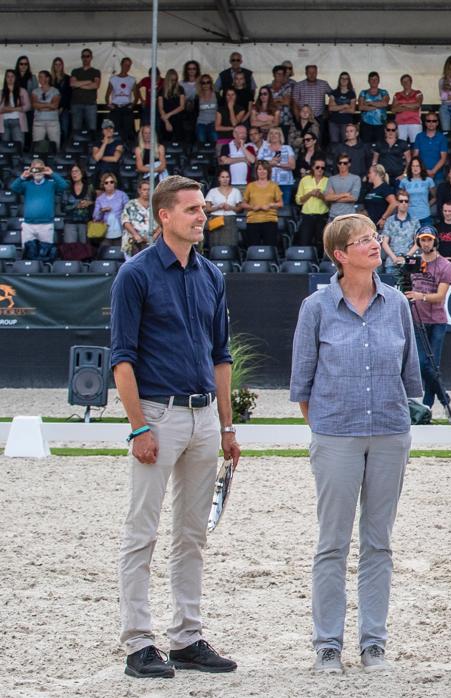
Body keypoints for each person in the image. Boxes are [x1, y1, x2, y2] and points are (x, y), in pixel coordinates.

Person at [111, 175, 241, 679]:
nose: (200, 216)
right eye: (190, 209)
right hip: (158, 415)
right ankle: (139, 642)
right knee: (141, 532)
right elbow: (122, 359)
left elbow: (221, 356)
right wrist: (138, 427)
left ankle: (186, 636)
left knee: (192, 534)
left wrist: (227, 428)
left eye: (202, 209)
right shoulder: (135, 275)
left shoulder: (211, 275)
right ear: (164, 215)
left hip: (205, 417)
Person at [289, 214, 421, 675]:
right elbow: (301, 385)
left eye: (374, 237)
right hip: (335, 437)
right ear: (340, 255)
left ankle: (373, 643)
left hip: (389, 431)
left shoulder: (397, 304)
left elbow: (410, 377)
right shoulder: (316, 307)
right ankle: (327, 644)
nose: (374, 244)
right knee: (332, 543)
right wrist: (328, 429)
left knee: (378, 542)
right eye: (363, 240)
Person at [404, 226, 451, 421]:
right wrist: (411, 253)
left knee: (430, 366)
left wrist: (420, 296)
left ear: (435, 241)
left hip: (436, 321)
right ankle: (444, 401)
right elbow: (399, 266)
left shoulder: (444, 265)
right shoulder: (413, 263)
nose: (426, 243)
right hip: (417, 319)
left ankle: (429, 405)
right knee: (422, 364)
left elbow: (440, 296)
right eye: (422, 240)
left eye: (429, 240)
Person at [11, 159, 68, 261]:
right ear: (31, 171)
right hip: (28, 225)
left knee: (46, 255)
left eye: (40, 169)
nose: (37, 172)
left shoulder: (51, 184)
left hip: (46, 225)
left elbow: (64, 185)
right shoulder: (26, 185)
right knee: (28, 254)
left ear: (44, 169)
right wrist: (22, 177)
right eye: (35, 169)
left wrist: (52, 174)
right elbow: (13, 187)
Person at [242, 160, 282, 249]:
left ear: (268, 171)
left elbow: (280, 203)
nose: (262, 171)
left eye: (264, 169)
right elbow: (243, 204)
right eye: (259, 169)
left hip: (270, 221)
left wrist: (270, 205)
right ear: (256, 171)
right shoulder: (250, 186)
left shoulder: (274, 186)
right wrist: (252, 207)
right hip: (253, 221)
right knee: (253, 248)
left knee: (270, 248)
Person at [295, 156, 331, 252]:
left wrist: (321, 196)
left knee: (321, 243)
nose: (320, 169)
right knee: (304, 242)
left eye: (322, 168)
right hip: (307, 215)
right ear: (312, 167)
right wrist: (310, 194)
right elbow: (298, 200)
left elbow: (330, 203)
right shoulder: (304, 180)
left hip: (322, 216)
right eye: (317, 167)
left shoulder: (328, 181)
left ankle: (320, 265)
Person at [381, 191, 420, 273]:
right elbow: (384, 242)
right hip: (391, 262)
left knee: (409, 285)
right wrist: (394, 258)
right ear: (397, 203)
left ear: (409, 203)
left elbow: (418, 243)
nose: (404, 203)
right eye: (401, 201)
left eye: (406, 201)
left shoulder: (415, 221)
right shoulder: (389, 220)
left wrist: (405, 257)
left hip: (409, 263)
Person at [258, 127, 297, 207]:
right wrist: (271, 162)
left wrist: (276, 164)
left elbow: (292, 166)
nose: (273, 135)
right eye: (271, 133)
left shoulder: (287, 148)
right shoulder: (264, 148)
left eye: (276, 133)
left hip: (285, 184)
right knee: (269, 207)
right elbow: (258, 163)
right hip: (268, 183)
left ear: (280, 136)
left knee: (285, 207)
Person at [205, 168, 243, 248]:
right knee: (216, 243)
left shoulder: (236, 191)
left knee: (231, 244)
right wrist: (218, 207)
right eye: (223, 177)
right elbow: (207, 209)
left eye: (227, 177)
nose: (225, 179)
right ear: (219, 178)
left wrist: (231, 207)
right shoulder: (213, 191)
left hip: (231, 220)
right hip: (216, 219)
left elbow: (240, 208)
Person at [62, 162, 95, 250]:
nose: (74, 174)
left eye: (76, 171)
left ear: (82, 172)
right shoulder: (67, 188)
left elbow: (96, 202)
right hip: (70, 222)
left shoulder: (89, 187)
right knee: (70, 249)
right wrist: (77, 205)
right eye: (72, 172)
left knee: (84, 249)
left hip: (85, 222)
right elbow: (63, 207)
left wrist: (90, 203)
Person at [106, 57, 137, 145]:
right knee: (115, 130)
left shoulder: (132, 79)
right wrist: (108, 104)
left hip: (127, 107)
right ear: (121, 65)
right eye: (125, 65)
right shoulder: (113, 79)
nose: (127, 67)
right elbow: (107, 95)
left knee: (128, 131)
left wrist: (133, 104)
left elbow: (136, 95)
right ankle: (115, 148)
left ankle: (127, 148)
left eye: (129, 65)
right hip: (116, 107)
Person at [93, 173, 128, 249]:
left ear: (114, 183)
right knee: (104, 253)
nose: (109, 184)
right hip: (105, 232)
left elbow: (128, 212)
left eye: (111, 182)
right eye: (106, 182)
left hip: (121, 231)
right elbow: (95, 217)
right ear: (103, 185)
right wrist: (102, 210)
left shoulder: (122, 195)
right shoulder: (100, 199)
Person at [69, 48, 101, 133]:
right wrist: (88, 81)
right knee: (76, 130)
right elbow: (72, 84)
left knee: (92, 129)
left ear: (91, 57)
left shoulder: (96, 71)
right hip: (76, 104)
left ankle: (92, 146)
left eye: (87, 56)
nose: (85, 58)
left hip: (90, 105)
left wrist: (79, 85)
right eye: (83, 56)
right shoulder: (75, 71)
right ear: (81, 58)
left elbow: (96, 85)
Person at [397, 157, 436, 226]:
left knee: (426, 236)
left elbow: (435, 197)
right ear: (410, 167)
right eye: (413, 166)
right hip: (409, 216)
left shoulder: (428, 180)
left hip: (425, 216)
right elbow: (399, 199)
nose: (415, 168)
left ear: (421, 167)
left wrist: (427, 205)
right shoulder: (404, 181)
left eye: (417, 166)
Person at [121, 179, 154, 257]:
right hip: (133, 242)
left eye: (149, 189)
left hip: (152, 243)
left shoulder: (155, 204)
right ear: (139, 190)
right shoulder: (131, 204)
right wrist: (136, 235)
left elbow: (161, 223)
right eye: (144, 189)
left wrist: (154, 237)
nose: (147, 192)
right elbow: (125, 221)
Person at [415, 110, 450, 184]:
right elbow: (415, 157)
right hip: (421, 175)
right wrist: (425, 171)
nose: (431, 123)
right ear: (425, 123)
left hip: (438, 176)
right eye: (428, 121)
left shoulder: (442, 138)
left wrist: (433, 171)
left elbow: (443, 158)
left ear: (437, 123)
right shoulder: (419, 136)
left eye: (434, 121)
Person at [293, 64, 332, 129]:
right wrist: (298, 118)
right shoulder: (298, 85)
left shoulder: (323, 84)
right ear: (306, 73)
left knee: (318, 138)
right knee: (304, 138)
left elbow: (333, 96)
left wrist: (328, 111)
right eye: (309, 72)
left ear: (317, 72)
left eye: (314, 72)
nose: (312, 74)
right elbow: (294, 103)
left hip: (319, 117)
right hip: (304, 118)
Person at [30, 70, 60, 152]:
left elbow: (55, 105)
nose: (39, 79)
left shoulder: (55, 91)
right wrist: (48, 105)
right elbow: (35, 105)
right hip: (38, 122)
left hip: (53, 122)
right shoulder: (35, 91)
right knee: (37, 146)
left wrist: (41, 106)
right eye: (38, 77)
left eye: (41, 76)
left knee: (55, 145)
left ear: (47, 78)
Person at [356, 71, 390, 145]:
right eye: (371, 79)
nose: (374, 81)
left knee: (380, 146)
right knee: (366, 146)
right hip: (366, 124)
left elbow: (384, 104)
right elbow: (360, 107)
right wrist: (377, 105)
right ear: (368, 81)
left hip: (380, 124)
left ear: (379, 80)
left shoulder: (384, 92)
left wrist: (369, 103)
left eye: (375, 79)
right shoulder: (363, 92)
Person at [327, 154, 363, 220]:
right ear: (337, 164)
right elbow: (328, 197)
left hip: (349, 216)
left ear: (349, 164)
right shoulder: (331, 179)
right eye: (340, 163)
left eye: (345, 163)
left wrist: (334, 198)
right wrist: (344, 195)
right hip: (333, 215)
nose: (342, 165)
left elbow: (354, 198)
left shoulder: (356, 178)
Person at [392, 74, 424, 144]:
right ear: (401, 83)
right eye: (403, 81)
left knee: (416, 145)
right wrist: (411, 107)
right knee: (400, 145)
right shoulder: (397, 94)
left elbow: (417, 105)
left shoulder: (418, 93)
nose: (405, 83)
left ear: (411, 81)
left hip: (415, 122)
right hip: (400, 123)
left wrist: (402, 105)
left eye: (407, 81)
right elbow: (393, 109)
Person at [156, 69, 186, 144]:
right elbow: (160, 108)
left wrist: (168, 115)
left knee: (178, 141)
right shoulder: (161, 90)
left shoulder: (180, 89)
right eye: (172, 80)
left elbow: (182, 106)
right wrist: (166, 122)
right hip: (165, 119)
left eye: (175, 80)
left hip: (177, 119)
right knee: (166, 141)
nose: (174, 82)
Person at [1, 69, 31, 144]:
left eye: (12, 76)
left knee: (19, 145)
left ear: (15, 78)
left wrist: (12, 109)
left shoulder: (22, 91)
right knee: (4, 147)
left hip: (17, 121)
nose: (10, 78)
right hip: (4, 122)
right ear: (5, 78)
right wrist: (5, 110)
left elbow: (28, 106)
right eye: (8, 77)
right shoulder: (1, 92)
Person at [193, 76, 218, 145]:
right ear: (200, 85)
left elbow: (220, 110)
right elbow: (195, 112)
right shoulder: (197, 97)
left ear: (211, 83)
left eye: (208, 82)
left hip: (214, 123)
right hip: (201, 123)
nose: (206, 85)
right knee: (201, 143)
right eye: (203, 83)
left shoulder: (216, 95)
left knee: (215, 142)